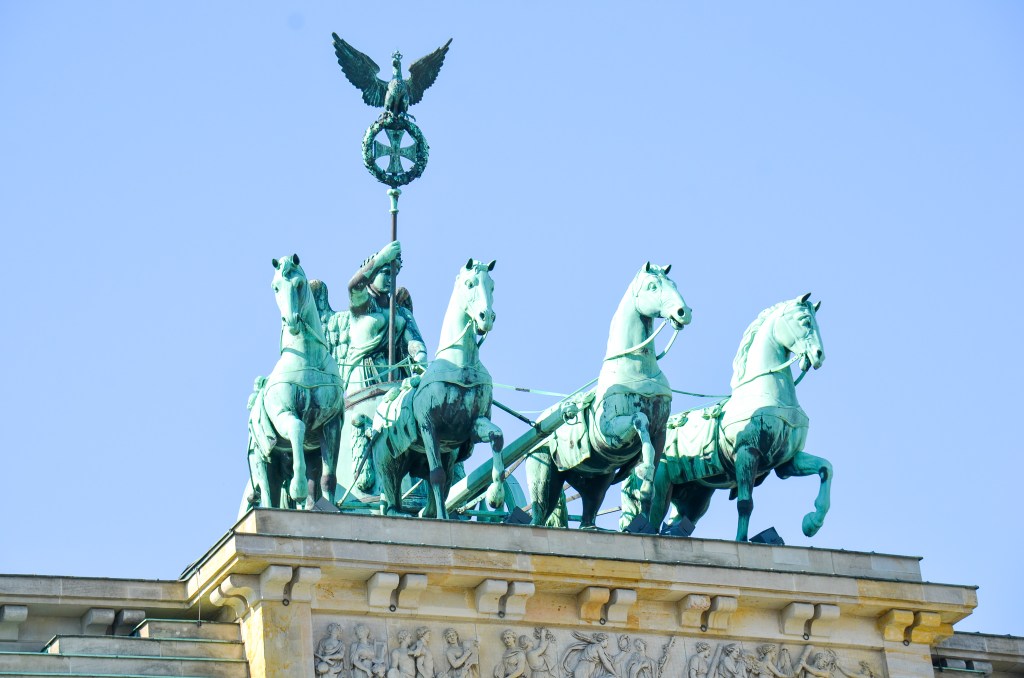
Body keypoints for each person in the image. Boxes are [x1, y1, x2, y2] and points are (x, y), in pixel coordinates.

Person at [343, 240, 427, 394]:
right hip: (364, 376)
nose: (391, 279)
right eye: (386, 272)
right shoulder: (362, 305)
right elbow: (354, 286)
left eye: (394, 274)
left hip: (395, 378)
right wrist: (382, 257)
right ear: (372, 274)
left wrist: (420, 355)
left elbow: (413, 340)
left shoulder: (401, 312)